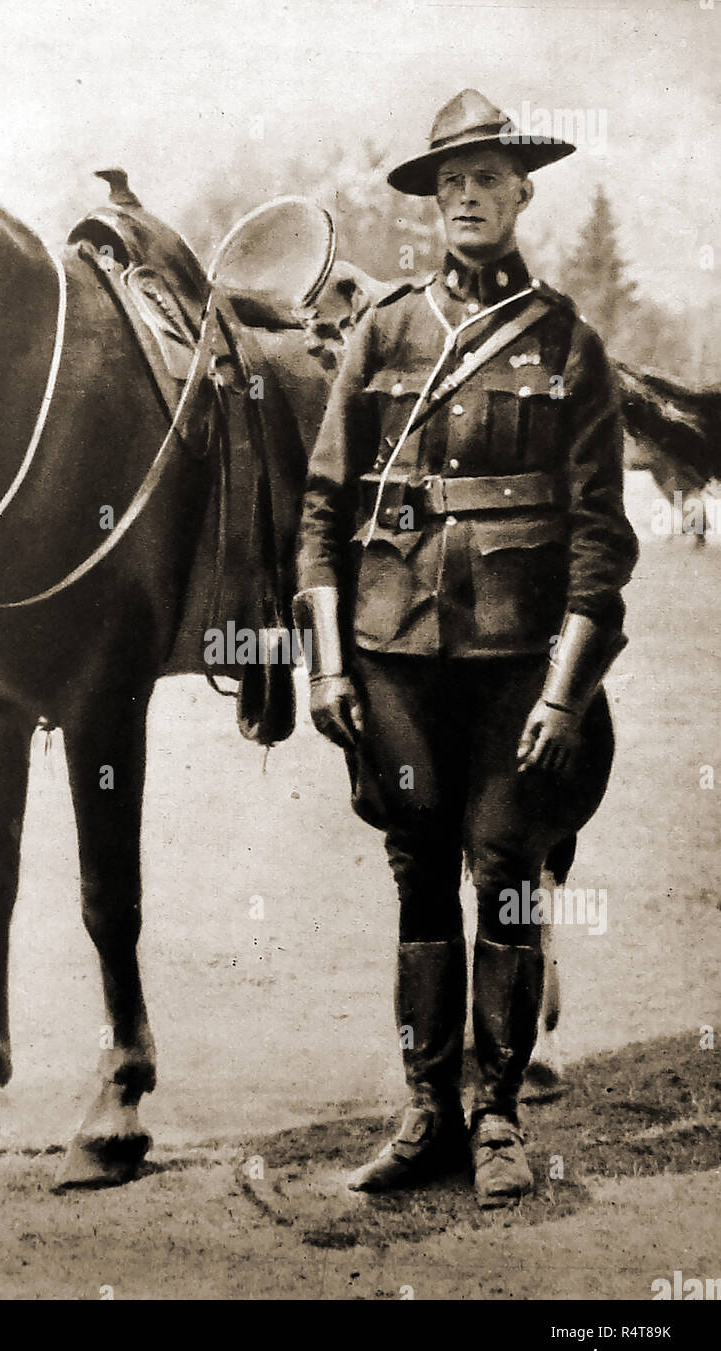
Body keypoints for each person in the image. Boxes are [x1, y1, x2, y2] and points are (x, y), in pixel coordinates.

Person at [293, 89, 638, 1206]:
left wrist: (562, 692)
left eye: (485, 181)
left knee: (504, 871)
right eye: (448, 186)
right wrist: (327, 661)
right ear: (429, 206)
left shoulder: (565, 341)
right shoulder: (385, 331)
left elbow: (599, 536)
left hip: (511, 665)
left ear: (520, 193)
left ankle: (495, 1118)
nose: (464, 200)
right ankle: (424, 1110)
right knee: (414, 871)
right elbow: (320, 507)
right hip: (390, 655)